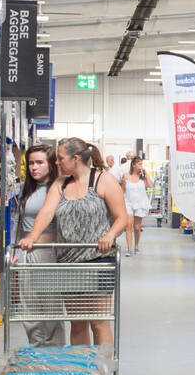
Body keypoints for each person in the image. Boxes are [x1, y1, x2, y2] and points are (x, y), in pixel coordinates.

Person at [18, 138, 129, 350]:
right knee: (77, 321)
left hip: (98, 259)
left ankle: (102, 372)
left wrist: (110, 235)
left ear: (75, 159)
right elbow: (47, 212)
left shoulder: (103, 180)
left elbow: (122, 217)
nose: (57, 164)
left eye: (60, 159)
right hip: (68, 261)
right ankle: (81, 370)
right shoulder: (61, 184)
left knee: (98, 321)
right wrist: (32, 236)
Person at [16, 144, 66, 347]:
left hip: (47, 254)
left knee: (51, 306)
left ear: (51, 164)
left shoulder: (59, 189)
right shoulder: (26, 189)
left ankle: (54, 354)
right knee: (30, 308)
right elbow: (20, 222)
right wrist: (16, 249)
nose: (34, 167)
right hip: (26, 253)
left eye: (39, 163)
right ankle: (36, 351)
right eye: (30, 163)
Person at [122, 157, 153, 255]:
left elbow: (151, 185)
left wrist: (146, 173)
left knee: (137, 227)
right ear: (133, 165)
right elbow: (122, 190)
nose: (141, 166)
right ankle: (129, 249)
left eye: (141, 164)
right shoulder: (126, 176)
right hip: (128, 203)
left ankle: (136, 246)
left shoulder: (142, 178)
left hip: (140, 204)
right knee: (128, 227)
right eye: (139, 164)